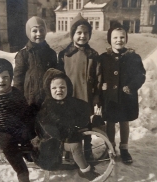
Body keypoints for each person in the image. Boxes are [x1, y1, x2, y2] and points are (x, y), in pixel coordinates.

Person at [31, 68, 99, 181]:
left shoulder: (70, 102)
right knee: (75, 146)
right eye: (54, 88)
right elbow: (51, 128)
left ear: (68, 88)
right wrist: (69, 132)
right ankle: (85, 171)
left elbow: (82, 110)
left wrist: (89, 118)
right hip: (52, 140)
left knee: (78, 139)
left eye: (62, 87)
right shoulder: (48, 107)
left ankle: (80, 160)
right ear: (48, 89)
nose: (59, 90)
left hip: (67, 135)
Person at [98, 23, 146, 164]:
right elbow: (98, 75)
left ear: (126, 38)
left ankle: (124, 149)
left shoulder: (133, 57)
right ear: (110, 39)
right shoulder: (104, 58)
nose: (119, 40)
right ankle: (110, 147)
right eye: (115, 38)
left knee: (124, 121)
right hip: (110, 97)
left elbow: (141, 75)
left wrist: (132, 86)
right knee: (110, 122)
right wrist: (102, 85)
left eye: (122, 37)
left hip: (126, 97)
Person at [58, 13, 100, 161]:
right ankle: (70, 152)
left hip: (86, 97)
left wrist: (96, 96)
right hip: (70, 97)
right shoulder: (64, 55)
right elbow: (59, 77)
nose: (82, 36)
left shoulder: (93, 55)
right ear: (72, 34)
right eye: (79, 33)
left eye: (85, 33)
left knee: (86, 126)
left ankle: (87, 151)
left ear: (89, 34)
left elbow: (98, 78)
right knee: (70, 125)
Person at [13, 16, 58, 114]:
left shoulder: (51, 53)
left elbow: (56, 76)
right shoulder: (23, 54)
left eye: (41, 30)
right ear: (29, 32)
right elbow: (18, 80)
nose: (39, 34)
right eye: (34, 31)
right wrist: (19, 100)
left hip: (49, 98)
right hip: (30, 100)